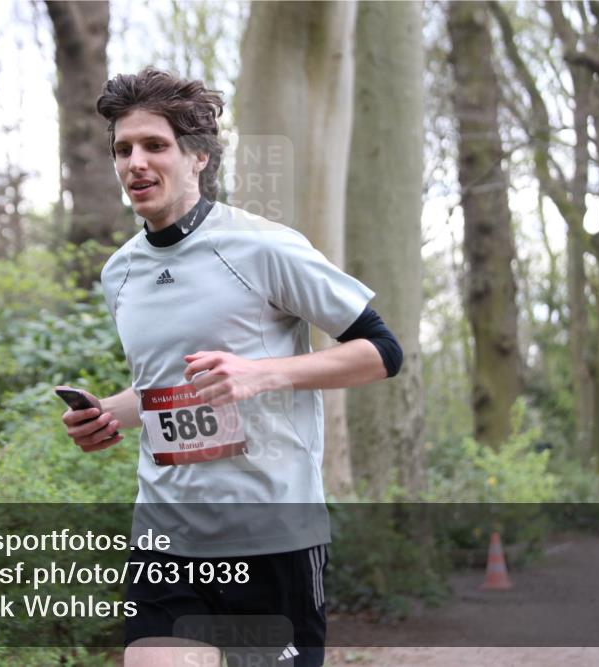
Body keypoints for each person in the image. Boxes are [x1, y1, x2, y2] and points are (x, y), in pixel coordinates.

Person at [59, 67, 403, 667]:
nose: (135, 162)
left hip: (272, 538)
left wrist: (263, 373)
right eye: (123, 149)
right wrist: (111, 414)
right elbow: (169, 387)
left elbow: (381, 351)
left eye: (154, 145)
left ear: (197, 157)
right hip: (165, 537)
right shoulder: (120, 273)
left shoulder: (262, 246)